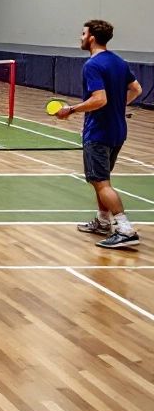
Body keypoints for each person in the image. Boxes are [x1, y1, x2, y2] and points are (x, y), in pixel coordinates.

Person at [55, 19, 142, 249]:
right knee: (100, 180)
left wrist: (70, 110)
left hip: (99, 132)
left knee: (101, 182)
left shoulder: (92, 65)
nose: (81, 37)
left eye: (83, 33)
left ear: (92, 37)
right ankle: (103, 222)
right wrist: (119, 106)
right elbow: (137, 89)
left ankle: (124, 228)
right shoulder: (119, 62)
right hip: (118, 131)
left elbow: (99, 99)